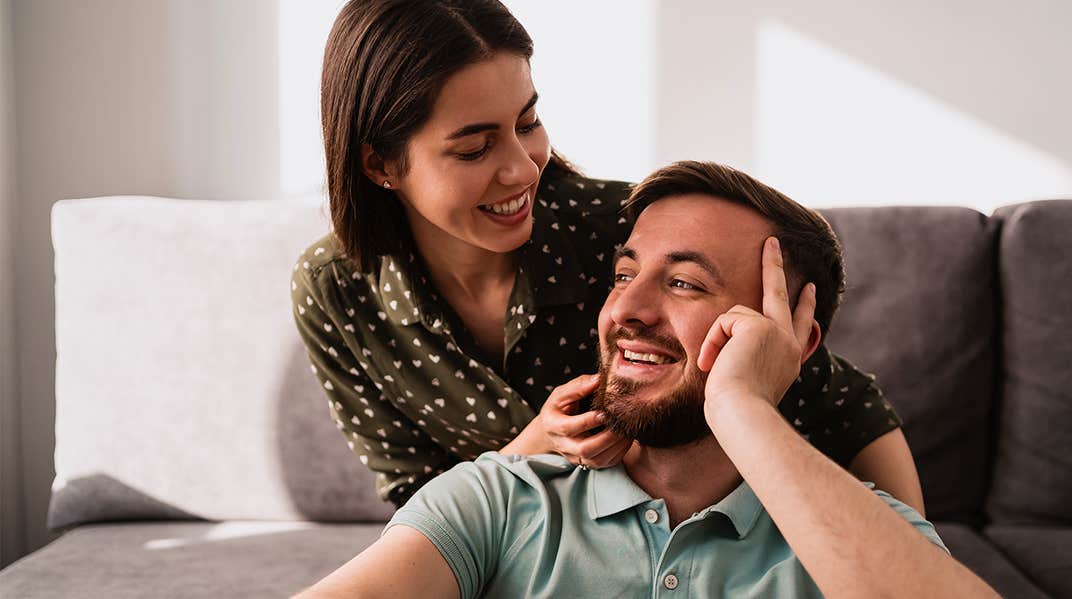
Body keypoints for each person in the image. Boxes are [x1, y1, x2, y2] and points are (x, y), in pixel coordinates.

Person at [291, 0, 924, 513]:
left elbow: (847, 408)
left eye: (528, 122)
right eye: (473, 149)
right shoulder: (336, 290)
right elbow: (414, 500)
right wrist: (534, 447)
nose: (521, 168)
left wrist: (912, 556)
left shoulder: (630, 231)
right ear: (379, 164)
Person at [295, 162, 998, 598]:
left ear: (793, 340)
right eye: (624, 274)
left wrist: (740, 406)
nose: (624, 310)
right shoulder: (498, 499)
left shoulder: (858, 539)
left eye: (685, 282)